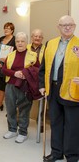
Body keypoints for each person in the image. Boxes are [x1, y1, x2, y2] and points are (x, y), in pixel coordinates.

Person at [39, 15, 79, 162]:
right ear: (59, 27)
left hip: (72, 90)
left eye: (70, 24)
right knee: (55, 122)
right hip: (52, 89)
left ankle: (72, 156)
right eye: (64, 25)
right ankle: (56, 153)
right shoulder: (50, 43)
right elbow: (42, 68)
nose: (67, 27)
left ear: (74, 26)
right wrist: (42, 85)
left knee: (72, 125)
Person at [2, 32, 39, 143]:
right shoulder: (11, 55)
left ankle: (23, 132)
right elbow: (4, 70)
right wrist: (15, 74)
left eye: (22, 41)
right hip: (11, 85)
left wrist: (25, 73)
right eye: (18, 41)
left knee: (24, 109)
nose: (20, 43)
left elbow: (38, 70)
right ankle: (12, 130)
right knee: (10, 108)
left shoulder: (33, 55)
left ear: (27, 42)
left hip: (25, 86)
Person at [0, 22, 16, 112]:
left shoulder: (14, 40)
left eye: (8, 28)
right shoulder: (1, 39)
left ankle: (10, 109)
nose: (6, 30)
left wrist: (6, 60)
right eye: (5, 28)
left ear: (12, 30)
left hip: (9, 67)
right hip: (0, 66)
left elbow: (16, 55)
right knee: (1, 86)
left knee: (9, 88)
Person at [27, 29, 45, 133]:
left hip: (40, 78)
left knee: (41, 102)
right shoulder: (26, 47)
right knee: (25, 100)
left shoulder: (46, 48)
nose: (37, 38)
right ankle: (23, 121)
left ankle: (40, 123)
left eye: (39, 36)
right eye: (35, 36)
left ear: (42, 38)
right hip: (28, 77)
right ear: (32, 37)